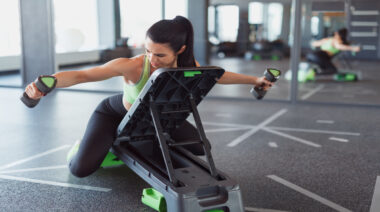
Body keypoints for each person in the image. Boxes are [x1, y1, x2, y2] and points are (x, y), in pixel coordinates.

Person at [24, 16, 273, 178]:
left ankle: (138, 138)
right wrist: (50, 82)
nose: (152, 60)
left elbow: (218, 75)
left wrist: (255, 81)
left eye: (160, 56)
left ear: (181, 50)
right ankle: (88, 143)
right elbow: (83, 75)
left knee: (199, 147)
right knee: (81, 169)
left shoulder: (187, 65)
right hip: (116, 114)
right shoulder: (133, 65)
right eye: (147, 51)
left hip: (154, 116)